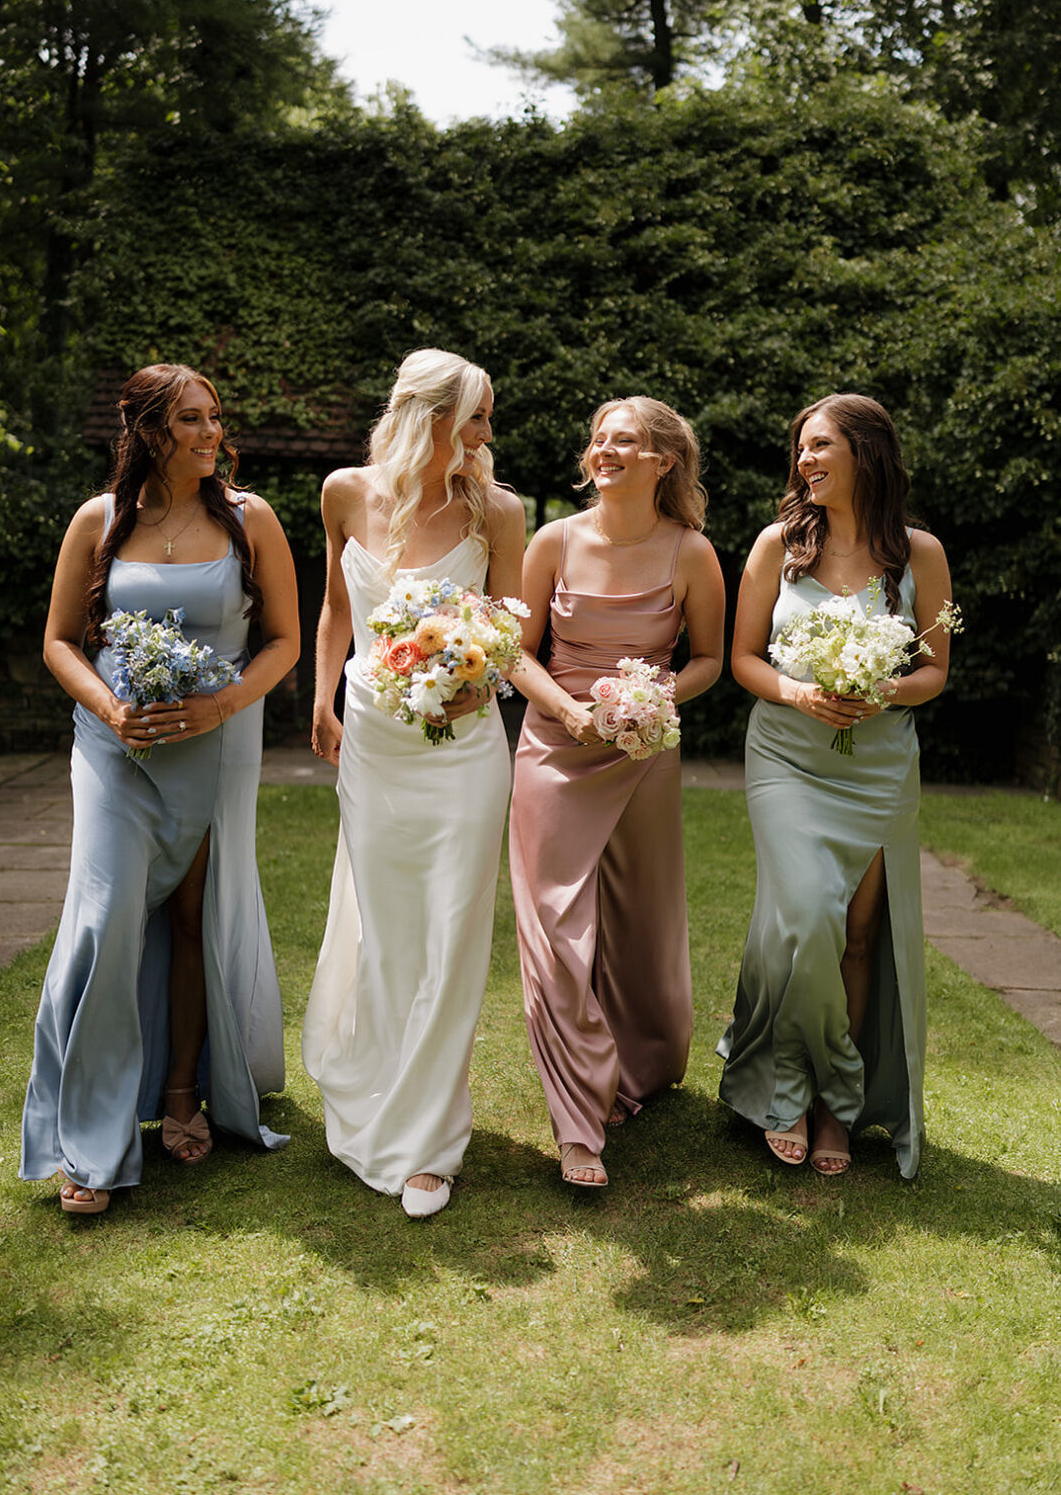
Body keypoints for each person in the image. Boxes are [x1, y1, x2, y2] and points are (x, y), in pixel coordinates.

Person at [21, 364, 299, 1214]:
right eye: (190, 420)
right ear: (145, 430)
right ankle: (92, 1141)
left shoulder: (252, 520)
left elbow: (284, 642)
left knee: (192, 918)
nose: (211, 433)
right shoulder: (96, 521)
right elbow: (60, 641)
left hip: (217, 745)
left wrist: (218, 705)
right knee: (105, 922)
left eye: (214, 417)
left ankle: (182, 1094)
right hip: (114, 748)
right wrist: (109, 708)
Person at [303, 348, 525, 1219]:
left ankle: (432, 1144)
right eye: (476, 416)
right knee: (390, 931)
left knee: (454, 931)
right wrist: (321, 697)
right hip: (374, 743)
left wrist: (485, 681)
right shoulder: (344, 492)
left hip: (465, 747)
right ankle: (374, 1100)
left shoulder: (494, 512)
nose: (485, 433)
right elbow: (333, 607)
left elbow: (509, 627)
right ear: (430, 415)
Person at [718, 393, 954, 1179]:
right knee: (804, 917)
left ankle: (832, 1108)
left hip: (878, 769)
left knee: (854, 937)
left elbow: (935, 671)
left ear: (865, 451)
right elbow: (743, 658)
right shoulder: (775, 546)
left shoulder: (919, 554)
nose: (804, 462)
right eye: (801, 449)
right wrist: (801, 693)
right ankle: (784, 1087)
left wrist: (877, 689)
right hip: (786, 756)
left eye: (819, 446)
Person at [509, 397, 725, 1188]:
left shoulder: (690, 552)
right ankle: (576, 1126)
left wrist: (652, 698)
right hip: (552, 747)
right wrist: (568, 707)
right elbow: (514, 650)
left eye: (624, 441)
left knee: (639, 922)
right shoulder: (552, 540)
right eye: (599, 439)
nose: (604, 450)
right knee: (555, 930)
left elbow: (707, 658)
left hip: (641, 751)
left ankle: (639, 1063)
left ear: (662, 461)